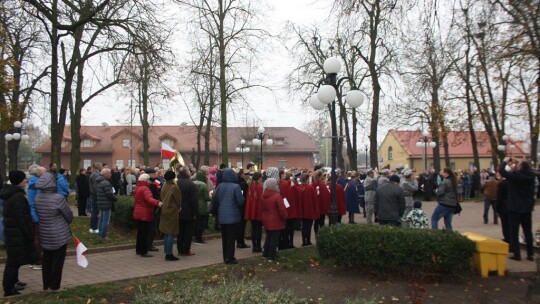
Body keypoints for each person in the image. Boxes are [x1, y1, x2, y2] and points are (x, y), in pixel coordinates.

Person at [34, 171, 73, 291]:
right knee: (58, 261)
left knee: (47, 260)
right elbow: (69, 215)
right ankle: (55, 285)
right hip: (59, 234)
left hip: (44, 233)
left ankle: (46, 284)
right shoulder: (58, 198)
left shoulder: (37, 197)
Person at [1, 170, 35, 297]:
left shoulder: (11, 194)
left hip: (12, 233)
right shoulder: (18, 197)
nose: (26, 180)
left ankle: (14, 282)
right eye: (24, 179)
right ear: (19, 180)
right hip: (17, 234)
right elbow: (22, 218)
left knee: (14, 261)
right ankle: (8, 289)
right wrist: (29, 233)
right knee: (13, 263)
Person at [499, 157, 535, 261]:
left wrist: (504, 161)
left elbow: (502, 171)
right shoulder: (531, 175)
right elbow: (528, 168)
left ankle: (517, 254)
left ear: (521, 167)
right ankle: (530, 254)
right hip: (527, 208)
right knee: (528, 231)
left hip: (515, 207)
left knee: (514, 231)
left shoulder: (516, 176)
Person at [214, 168, 245, 264]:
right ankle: (230, 257)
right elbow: (240, 201)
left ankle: (225, 257)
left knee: (225, 238)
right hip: (232, 216)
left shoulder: (219, 186)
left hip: (222, 216)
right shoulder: (236, 187)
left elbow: (216, 199)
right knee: (231, 238)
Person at [133, 173, 162, 258]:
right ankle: (144, 251)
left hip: (138, 211)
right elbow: (149, 199)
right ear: (146, 180)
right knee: (145, 233)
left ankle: (138, 250)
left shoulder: (137, 188)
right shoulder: (145, 189)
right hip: (145, 213)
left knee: (140, 232)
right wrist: (158, 202)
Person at [261, 178, 287, 261]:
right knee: (274, 239)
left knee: (268, 236)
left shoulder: (263, 195)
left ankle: (265, 252)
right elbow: (281, 210)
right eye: (276, 184)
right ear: (273, 186)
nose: (277, 186)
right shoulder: (277, 196)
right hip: (275, 220)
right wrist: (285, 216)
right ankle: (272, 255)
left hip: (266, 218)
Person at [27, 165, 47, 270]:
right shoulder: (37, 185)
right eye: (45, 172)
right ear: (39, 174)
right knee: (39, 239)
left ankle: (33, 260)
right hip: (38, 216)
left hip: (35, 215)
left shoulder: (33, 183)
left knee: (35, 238)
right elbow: (40, 202)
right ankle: (38, 261)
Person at [159, 170, 181, 260]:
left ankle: (166, 252)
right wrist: (179, 207)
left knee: (166, 233)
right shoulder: (174, 187)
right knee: (171, 233)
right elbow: (178, 200)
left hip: (164, 210)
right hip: (172, 212)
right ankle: (169, 254)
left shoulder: (164, 185)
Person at [176, 167, 198, 256]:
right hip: (189, 212)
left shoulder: (177, 183)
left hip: (178, 211)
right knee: (188, 232)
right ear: (186, 173)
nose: (190, 172)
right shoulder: (190, 184)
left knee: (180, 232)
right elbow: (194, 200)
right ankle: (186, 250)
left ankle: (180, 249)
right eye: (189, 171)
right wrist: (195, 212)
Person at [297, 173, 318, 246]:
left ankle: (304, 241)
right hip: (309, 210)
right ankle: (308, 240)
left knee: (303, 226)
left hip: (302, 211)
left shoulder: (299, 188)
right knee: (308, 226)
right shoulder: (310, 188)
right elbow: (314, 199)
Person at [95, 168, 117, 240]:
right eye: (109, 173)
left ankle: (100, 233)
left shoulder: (98, 181)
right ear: (105, 174)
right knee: (105, 220)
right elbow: (109, 194)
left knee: (101, 219)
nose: (111, 174)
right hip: (106, 203)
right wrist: (115, 198)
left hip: (100, 202)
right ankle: (103, 235)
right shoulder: (106, 182)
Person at [245, 172, 263, 252]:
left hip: (252, 211)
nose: (261, 180)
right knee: (258, 229)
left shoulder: (250, 186)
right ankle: (258, 246)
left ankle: (254, 246)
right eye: (261, 178)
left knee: (253, 229)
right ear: (258, 179)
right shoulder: (259, 187)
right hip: (258, 211)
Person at [193, 171, 210, 244]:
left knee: (196, 223)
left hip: (194, 205)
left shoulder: (192, 183)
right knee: (201, 223)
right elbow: (206, 197)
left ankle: (196, 237)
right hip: (202, 206)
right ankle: (200, 238)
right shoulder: (204, 185)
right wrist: (211, 197)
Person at [88, 162, 103, 233]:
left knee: (95, 211)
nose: (102, 167)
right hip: (95, 196)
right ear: (98, 167)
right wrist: (99, 194)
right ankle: (94, 227)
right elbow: (95, 187)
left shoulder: (94, 174)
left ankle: (93, 227)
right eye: (101, 166)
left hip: (94, 195)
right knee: (95, 212)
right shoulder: (95, 174)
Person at [496, 176, 510, 244]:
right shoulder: (511, 182)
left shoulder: (502, 184)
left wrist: (497, 209)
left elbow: (499, 197)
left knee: (505, 225)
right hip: (512, 206)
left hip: (504, 207)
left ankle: (507, 240)